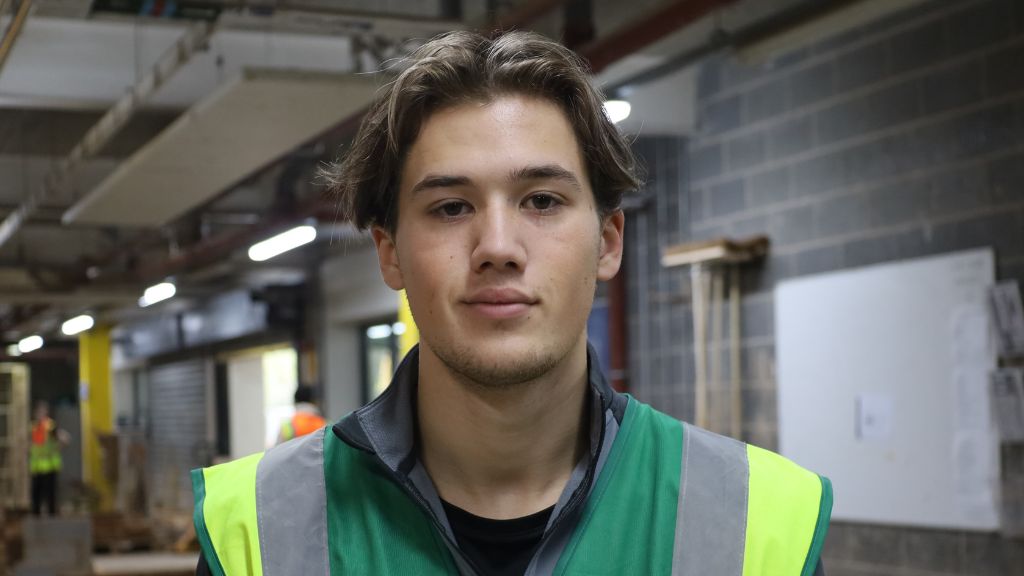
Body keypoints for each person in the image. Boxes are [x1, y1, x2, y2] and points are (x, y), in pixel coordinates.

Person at [192, 30, 831, 575]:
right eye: (450, 207)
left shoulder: (760, 524)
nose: (497, 247)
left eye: (543, 201)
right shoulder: (252, 530)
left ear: (608, 242)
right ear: (390, 253)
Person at [29, 401, 68, 516]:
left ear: (47, 412)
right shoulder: (34, 426)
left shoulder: (50, 426)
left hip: (50, 465)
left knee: (50, 493)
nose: (41, 413)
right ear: (35, 412)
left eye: (43, 410)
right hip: (36, 466)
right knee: (36, 493)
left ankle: (51, 516)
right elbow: (32, 444)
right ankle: (36, 516)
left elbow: (64, 439)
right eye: (39, 411)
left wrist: (58, 447)